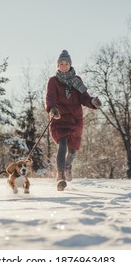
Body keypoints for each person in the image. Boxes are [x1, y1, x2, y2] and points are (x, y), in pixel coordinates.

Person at [45, 49, 102, 191]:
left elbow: (84, 98)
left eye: (66, 64)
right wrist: (52, 108)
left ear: (70, 65)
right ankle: (60, 176)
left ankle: (68, 166)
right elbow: (50, 97)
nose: (64, 66)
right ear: (57, 66)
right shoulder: (53, 81)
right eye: (61, 64)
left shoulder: (77, 81)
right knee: (62, 144)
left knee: (72, 151)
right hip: (59, 118)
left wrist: (93, 102)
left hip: (75, 120)